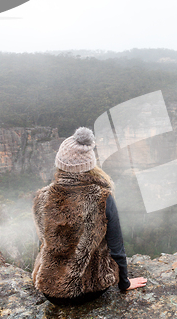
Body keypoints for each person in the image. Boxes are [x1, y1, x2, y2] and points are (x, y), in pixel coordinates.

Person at [31, 127, 147, 306]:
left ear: (60, 163)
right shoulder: (102, 197)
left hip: (50, 291)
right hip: (88, 290)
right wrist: (124, 283)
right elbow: (116, 248)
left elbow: (44, 243)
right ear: (90, 165)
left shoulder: (41, 197)